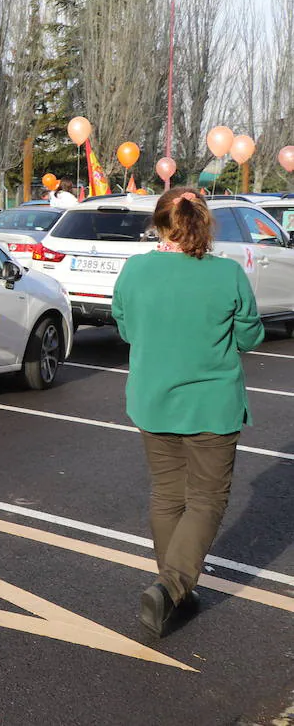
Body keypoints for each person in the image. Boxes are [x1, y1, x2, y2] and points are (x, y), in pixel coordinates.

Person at [112, 188, 264, 637]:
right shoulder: (227, 274)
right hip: (211, 405)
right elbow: (250, 337)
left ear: (160, 225)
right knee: (206, 499)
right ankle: (172, 586)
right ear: (204, 226)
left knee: (167, 494)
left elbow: (124, 324)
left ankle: (173, 587)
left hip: (153, 399)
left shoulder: (136, 269)